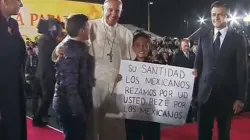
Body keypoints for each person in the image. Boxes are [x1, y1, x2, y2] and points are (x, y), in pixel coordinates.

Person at [52, 0, 134, 139]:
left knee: (114, 127)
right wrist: (57, 50)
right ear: (104, 9)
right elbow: (65, 45)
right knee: (92, 127)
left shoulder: (126, 34)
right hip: (94, 86)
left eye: (117, 11)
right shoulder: (90, 26)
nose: (113, 14)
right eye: (110, 10)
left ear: (121, 12)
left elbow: (130, 61)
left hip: (116, 88)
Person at [193, 1, 248, 140]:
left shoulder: (238, 39)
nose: (215, 18)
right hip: (204, 96)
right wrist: (193, 93)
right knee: (203, 135)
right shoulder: (203, 38)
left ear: (226, 16)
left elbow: (242, 71)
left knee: (224, 135)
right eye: (213, 15)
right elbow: (197, 68)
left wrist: (240, 98)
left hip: (226, 97)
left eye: (219, 15)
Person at [53, 14, 94, 140]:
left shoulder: (77, 47)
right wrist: (79, 112)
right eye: (88, 27)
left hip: (72, 104)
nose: (90, 30)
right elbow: (69, 87)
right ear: (82, 31)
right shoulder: (72, 52)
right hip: (70, 106)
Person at [122, 30, 160, 140]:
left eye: (145, 45)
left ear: (150, 47)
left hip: (152, 115)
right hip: (132, 115)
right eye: (138, 45)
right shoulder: (126, 68)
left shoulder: (159, 67)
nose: (141, 48)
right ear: (133, 48)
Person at [0, 0, 27, 140]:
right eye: (18, 1)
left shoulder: (12, 23)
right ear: (5, 2)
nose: (20, 5)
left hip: (14, 88)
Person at [33, 17, 63, 126]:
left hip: (44, 73)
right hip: (47, 74)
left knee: (46, 98)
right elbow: (52, 57)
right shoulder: (47, 40)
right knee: (47, 98)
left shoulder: (44, 39)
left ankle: (41, 116)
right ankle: (37, 119)